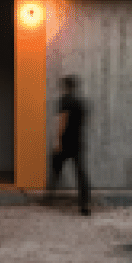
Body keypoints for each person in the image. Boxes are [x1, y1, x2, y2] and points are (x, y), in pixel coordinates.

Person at [48, 74, 92, 215]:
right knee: (81, 173)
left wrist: (57, 142)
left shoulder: (65, 101)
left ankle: (49, 198)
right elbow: (84, 123)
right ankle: (85, 204)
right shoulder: (81, 102)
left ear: (65, 87)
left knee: (55, 169)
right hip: (78, 142)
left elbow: (62, 120)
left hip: (65, 142)